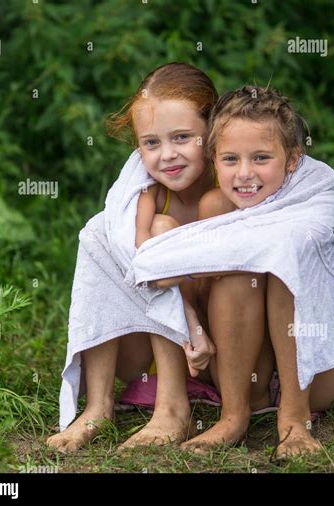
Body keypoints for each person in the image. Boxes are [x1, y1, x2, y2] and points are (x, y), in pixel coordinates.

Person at [153, 86, 334, 460]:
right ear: (214, 159)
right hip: (248, 376)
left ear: (293, 159)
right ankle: (234, 416)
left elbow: (314, 281)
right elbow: (167, 271)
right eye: (230, 159)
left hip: (320, 375)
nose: (245, 174)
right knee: (235, 274)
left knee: (288, 262)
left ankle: (295, 419)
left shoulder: (315, 201)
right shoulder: (217, 205)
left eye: (261, 158)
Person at [46, 62, 220, 453]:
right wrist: (188, 321)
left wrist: (198, 324)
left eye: (182, 137)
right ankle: (97, 406)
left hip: (219, 348)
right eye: (151, 143)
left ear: (213, 130)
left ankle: (174, 408)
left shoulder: (233, 185)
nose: (167, 156)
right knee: (104, 235)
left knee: (161, 237)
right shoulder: (146, 195)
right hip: (150, 353)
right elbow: (141, 262)